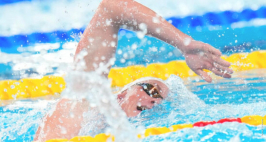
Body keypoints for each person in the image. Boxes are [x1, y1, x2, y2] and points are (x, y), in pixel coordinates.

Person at [34, 0, 233, 141]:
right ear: (121, 95)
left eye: (159, 101)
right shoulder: (81, 104)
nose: (154, 101)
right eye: (151, 90)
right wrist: (184, 43)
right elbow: (110, 8)